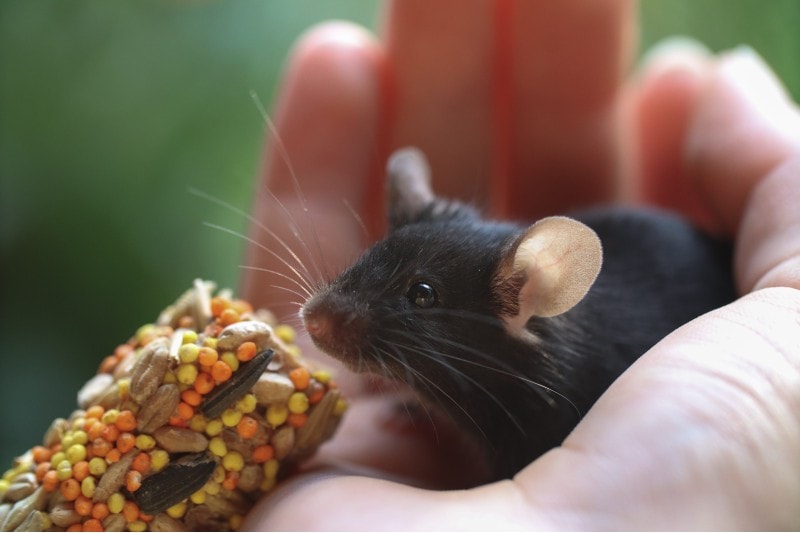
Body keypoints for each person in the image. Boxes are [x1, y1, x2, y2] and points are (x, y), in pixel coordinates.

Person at [242, 1, 800, 529]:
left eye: (421, 296)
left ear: (523, 299)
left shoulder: (541, 394)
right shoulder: (487, 355)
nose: (319, 318)